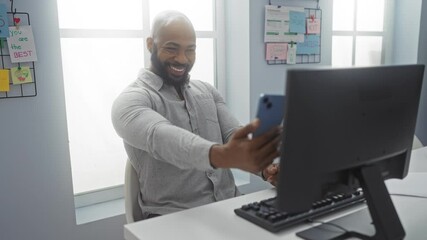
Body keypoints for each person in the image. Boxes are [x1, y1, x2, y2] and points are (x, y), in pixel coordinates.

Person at [111, 10, 281, 219]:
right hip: (174, 220)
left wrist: (265, 167)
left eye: (190, 50)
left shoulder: (207, 91)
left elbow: (233, 135)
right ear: (150, 44)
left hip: (231, 208)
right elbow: (163, 139)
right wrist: (223, 155)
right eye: (172, 48)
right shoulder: (129, 102)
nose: (182, 59)